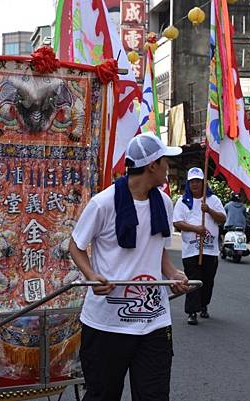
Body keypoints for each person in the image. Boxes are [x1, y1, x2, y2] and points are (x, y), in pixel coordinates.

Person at [68, 132, 189, 401]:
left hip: (154, 320)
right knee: (102, 395)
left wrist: (173, 275)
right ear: (152, 166)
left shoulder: (164, 203)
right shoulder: (103, 203)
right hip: (106, 324)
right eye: (165, 161)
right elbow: (75, 246)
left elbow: (157, 252)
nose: (169, 167)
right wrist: (92, 276)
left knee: (154, 396)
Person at [173, 167, 226, 325]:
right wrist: (196, 228)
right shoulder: (183, 202)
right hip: (191, 250)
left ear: (204, 183)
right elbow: (177, 222)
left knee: (207, 281)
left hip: (210, 250)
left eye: (198, 181)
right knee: (193, 281)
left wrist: (209, 210)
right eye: (192, 182)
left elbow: (222, 218)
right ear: (188, 184)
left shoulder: (213, 200)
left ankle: (204, 305)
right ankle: (191, 312)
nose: (195, 184)